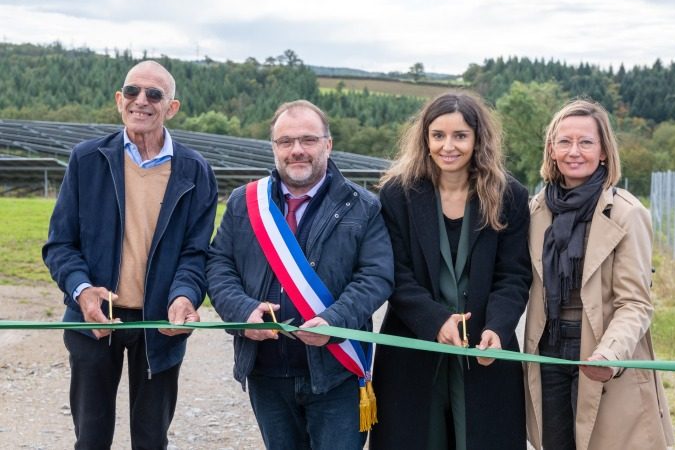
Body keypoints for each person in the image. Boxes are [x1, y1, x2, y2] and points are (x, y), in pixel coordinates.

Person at [42, 60, 218, 450]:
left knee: (152, 439)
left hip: (159, 323)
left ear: (171, 107)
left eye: (154, 94)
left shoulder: (196, 170)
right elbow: (60, 244)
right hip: (93, 320)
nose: (142, 100)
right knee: (91, 437)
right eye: (133, 91)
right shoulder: (87, 159)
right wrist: (82, 290)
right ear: (119, 100)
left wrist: (185, 296)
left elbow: (196, 253)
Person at [206, 99, 393, 450]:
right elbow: (219, 266)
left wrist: (334, 320)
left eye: (308, 140)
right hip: (266, 372)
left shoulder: (363, 206)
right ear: (274, 147)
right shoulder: (244, 202)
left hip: (336, 372)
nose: (297, 151)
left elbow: (376, 276)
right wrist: (241, 311)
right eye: (286, 142)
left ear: (328, 144)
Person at [370, 92, 531, 450]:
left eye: (460, 135)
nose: (449, 146)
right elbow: (395, 273)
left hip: (484, 351)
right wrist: (435, 319)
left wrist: (498, 328)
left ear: (477, 139)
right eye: (438, 135)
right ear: (425, 139)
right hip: (412, 346)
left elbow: (514, 276)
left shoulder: (509, 196)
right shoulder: (398, 194)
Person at [523, 99, 674, 449]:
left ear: (604, 151)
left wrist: (610, 354)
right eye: (565, 141)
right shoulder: (537, 210)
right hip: (548, 352)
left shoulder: (627, 213)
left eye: (586, 142)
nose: (574, 151)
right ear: (552, 149)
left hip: (601, 354)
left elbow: (635, 302)